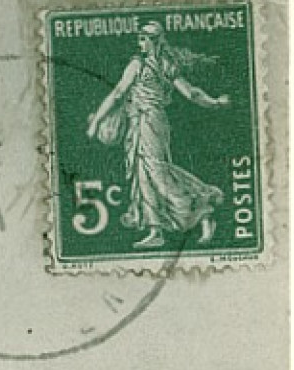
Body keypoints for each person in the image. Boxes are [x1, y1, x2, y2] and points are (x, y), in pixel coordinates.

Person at [86, 21, 230, 249]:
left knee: (156, 173)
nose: (140, 43)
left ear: (155, 41)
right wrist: (215, 103)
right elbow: (191, 93)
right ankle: (156, 230)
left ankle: (202, 208)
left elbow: (118, 93)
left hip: (149, 122)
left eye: (144, 38)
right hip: (144, 122)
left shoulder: (143, 64)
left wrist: (96, 120)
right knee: (144, 173)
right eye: (139, 38)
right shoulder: (164, 64)